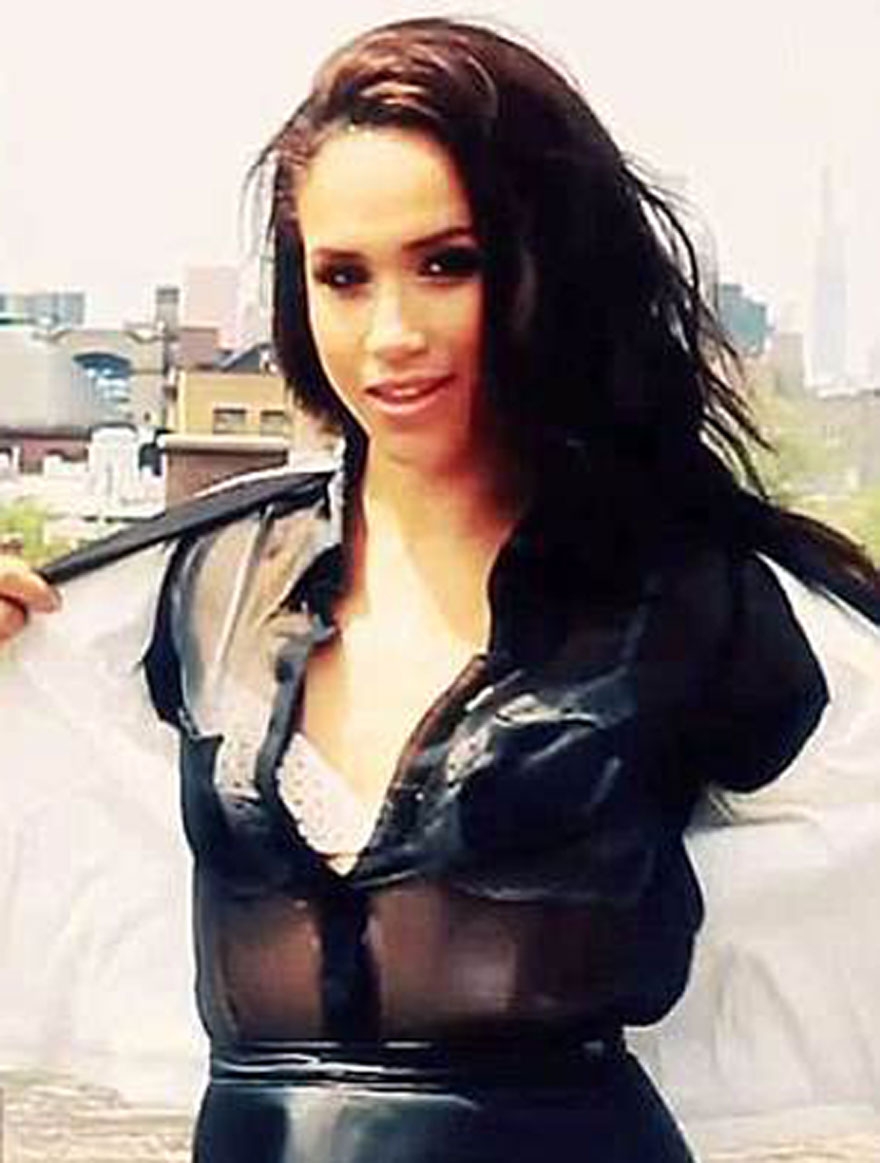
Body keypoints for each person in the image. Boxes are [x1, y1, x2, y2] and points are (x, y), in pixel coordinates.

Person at [2, 15, 880, 1163]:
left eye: (446, 264)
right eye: (342, 277)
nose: (391, 335)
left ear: (545, 266)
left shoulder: (693, 595)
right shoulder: (202, 581)